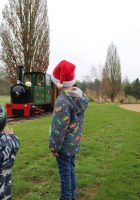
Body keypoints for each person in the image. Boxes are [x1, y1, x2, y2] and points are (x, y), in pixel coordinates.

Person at [49, 60, 89, 200]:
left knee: (65, 174)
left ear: (59, 82)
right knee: (70, 170)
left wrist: (54, 147)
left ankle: (66, 197)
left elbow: (59, 127)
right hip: (74, 142)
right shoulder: (80, 97)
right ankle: (72, 196)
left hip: (64, 146)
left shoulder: (62, 101)